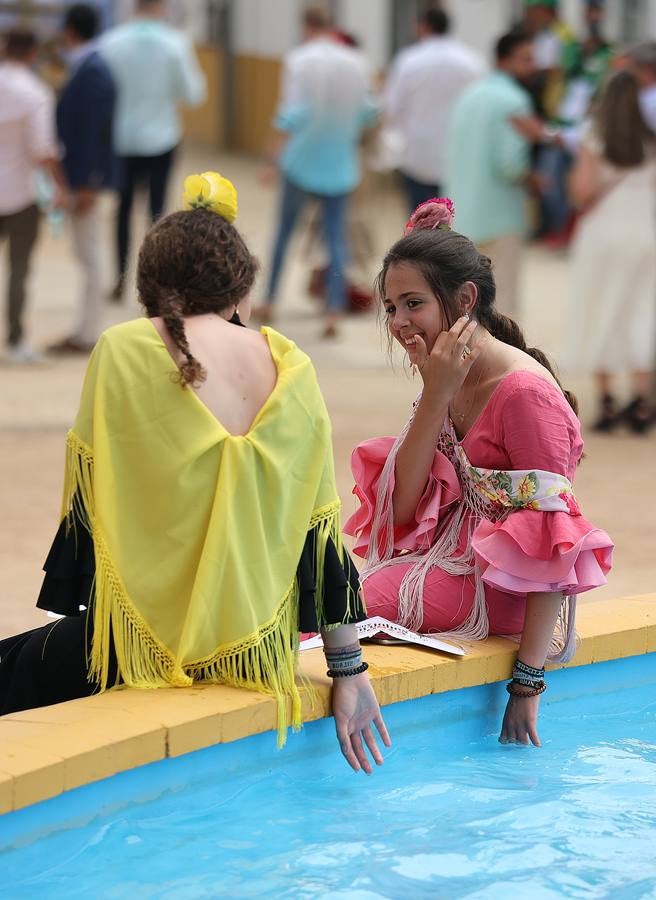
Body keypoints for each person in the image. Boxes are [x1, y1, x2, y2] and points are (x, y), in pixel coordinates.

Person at [0, 172, 390, 775]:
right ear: (240, 285)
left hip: (137, 649)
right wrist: (348, 670)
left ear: (148, 285)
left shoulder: (123, 349)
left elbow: (89, 508)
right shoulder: (292, 365)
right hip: (256, 655)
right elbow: (320, 530)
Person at [344, 198, 613, 746]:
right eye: (391, 308)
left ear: (464, 299)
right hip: (449, 558)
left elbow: (551, 544)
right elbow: (400, 509)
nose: (398, 324)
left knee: (353, 607)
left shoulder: (523, 396)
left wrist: (526, 684)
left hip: (505, 584)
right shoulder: (449, 371)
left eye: (412, 304)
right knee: (330, 593)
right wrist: (436, 393)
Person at [255, 5, 377, 339]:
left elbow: (290, 115)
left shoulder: (299, 60)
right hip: (340, 165)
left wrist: (270, 160)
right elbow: (368, 111)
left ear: (305, 26)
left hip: (300, 162)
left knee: (284, 232)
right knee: (336, 238)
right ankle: (334, 309)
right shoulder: (356, 62)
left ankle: (269, 299)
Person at [566, 70, 656, 434]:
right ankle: (640, 399)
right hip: (645, 230)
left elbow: (583, 191)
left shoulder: (594, 136)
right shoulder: (650, 139)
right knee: (642, 310)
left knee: (600, 307)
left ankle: (606, 400)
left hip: (604, 231)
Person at [99, 0, 206, 301]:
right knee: (157, 214)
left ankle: (119, 280)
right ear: (163, 6)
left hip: (121, 141)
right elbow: (194, 93)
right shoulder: (176, 44)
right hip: (162, 137)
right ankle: (157, 284)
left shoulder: (111, 43)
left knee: (122, 210)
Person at [446, 29, 546, 318]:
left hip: (462, 213)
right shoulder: (514, 100)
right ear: (505, 60)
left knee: (464, 304)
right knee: (502, 306)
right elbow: (510, 166)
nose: (532, 67)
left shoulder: (470, 95)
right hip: (500, 215)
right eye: (525, 60)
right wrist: (535, 181)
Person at [48, 3, 117, 356]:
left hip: (84, 178)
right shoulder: (89, 67)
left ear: (70, 31)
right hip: (80, 176)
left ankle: (88, 331)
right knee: (86, 251)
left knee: (90, 253)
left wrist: (89, 180)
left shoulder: (92, 72)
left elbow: (95, 133)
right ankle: (86, 327)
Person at [0, 28, 66, 364]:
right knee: (19, 270)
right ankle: (15, 340)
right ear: (31, 53)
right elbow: (43, 150)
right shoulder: (36, 93)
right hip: (21, 194)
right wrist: (59, 186)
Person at [383, 7, 484, 213]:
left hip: (418, 154)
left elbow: (391, 107)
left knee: (419, 221)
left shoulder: (409, 60)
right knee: (452, 223)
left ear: (424, 26)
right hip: (458, 153)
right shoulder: (472, 61)